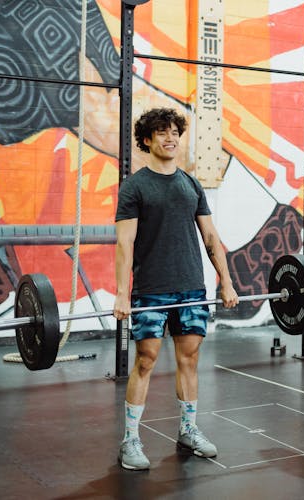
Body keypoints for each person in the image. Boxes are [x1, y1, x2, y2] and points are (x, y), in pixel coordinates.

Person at [113, 107, 239, 470]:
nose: (170, 138)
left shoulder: (190, 183)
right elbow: (125, 243)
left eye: (174, 132)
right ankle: (131, 440)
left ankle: (188, 429)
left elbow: (211, 236)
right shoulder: (135, 186)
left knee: (189, 360)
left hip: (191, 287)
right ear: (147, 140)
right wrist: (123, 292)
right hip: (151, 288)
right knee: (146, 360)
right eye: (162, 132)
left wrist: (226, 281)